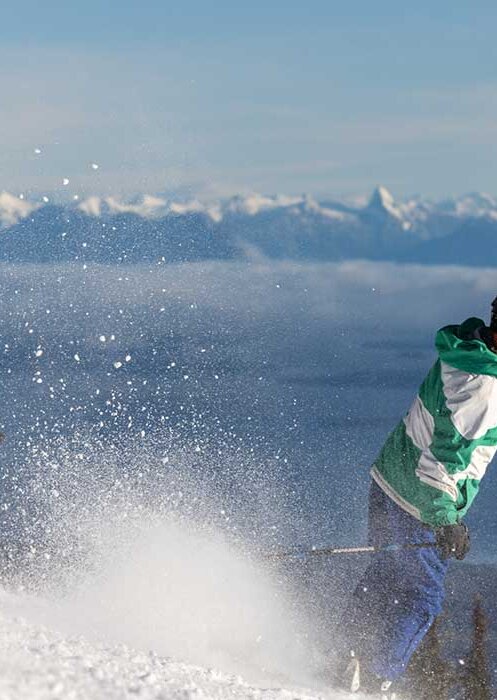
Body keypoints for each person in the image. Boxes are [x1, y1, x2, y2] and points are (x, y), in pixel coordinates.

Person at [339, 297, 497, 698]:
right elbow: (439, 468)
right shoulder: (484, 391)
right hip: (419, 501)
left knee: (389, 574)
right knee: (423, 597)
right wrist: (447, 521)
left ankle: (344, 654)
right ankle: (377, 680)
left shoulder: (467, 351)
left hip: (388, 479)